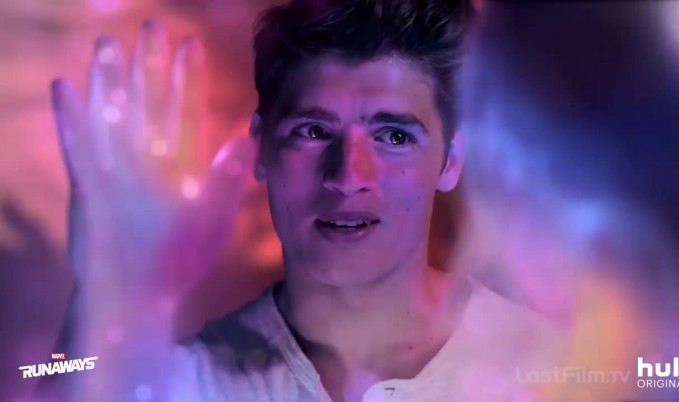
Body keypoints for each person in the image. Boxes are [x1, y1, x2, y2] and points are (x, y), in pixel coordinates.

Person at [48, 1, 566, 401]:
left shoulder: (556, 369)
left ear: (451, 160)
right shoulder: (181, 379)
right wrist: (106, 294)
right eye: (313, 131)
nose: (349, 177)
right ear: (260, 147)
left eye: (393, 137)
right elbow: (48, 376)